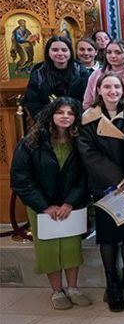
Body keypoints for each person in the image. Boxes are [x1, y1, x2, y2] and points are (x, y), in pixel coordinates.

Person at [77, 73, 124, 312]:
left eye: (116, 86)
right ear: (98, 90)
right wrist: (118, 178)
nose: (112, 91)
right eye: (107, 86)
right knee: (109, 235)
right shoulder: (88, 119)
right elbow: (89, 154)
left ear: (123, 89)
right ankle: (112, 284)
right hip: (107, 184)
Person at [11, 97, 91, 310]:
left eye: (70, 113)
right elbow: (20, 178)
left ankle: (73, 288)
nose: (65, 117)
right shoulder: (31, 142)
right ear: (51, 115)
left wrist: (70, 203)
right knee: (48, 248)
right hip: (41, 207)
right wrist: (44, 206)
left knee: (71, 246)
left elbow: (84, 177)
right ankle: (57, 291)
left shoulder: (80, 140)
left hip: (70, 206)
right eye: (60, 112)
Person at [23, 36, 91, 120]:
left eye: (64, 50)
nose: (60, 53)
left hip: (78, 120)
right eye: (55, 50)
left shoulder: (81, 72)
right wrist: (48, 120)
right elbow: (32, 101)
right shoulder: (38, 73)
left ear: (70, 52)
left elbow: (88, 100)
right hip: (48, 122)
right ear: (48, 52)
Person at [83, 40, 124, 109]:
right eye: (109, 52)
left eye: (118, 53)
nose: (113, 56)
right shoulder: (96, 74)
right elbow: (87, 103)